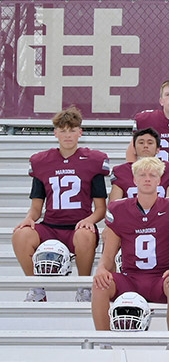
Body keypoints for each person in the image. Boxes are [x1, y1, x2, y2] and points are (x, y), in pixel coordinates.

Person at [13, 107, 110, 302]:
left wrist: (89, 220)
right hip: (50, 227)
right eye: (63, 130)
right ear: (55, 133)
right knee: (20, 234)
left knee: (85, 233)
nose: (68, 135)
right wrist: (28, 219)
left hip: (77, 227)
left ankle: (83, 286)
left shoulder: (93, 160)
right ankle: (37, 288)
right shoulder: (42, 161)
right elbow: (36, 208)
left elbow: (101, 209)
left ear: (80, 132)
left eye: (72, 130)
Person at [91, 157, 169, 331]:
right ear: (134, 180)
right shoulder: (118, 209)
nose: (147, 179)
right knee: (100, 284)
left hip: (161, 278)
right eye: (142, 175)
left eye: (152, 175)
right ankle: (104, 342)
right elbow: (108, 254)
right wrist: (102, 269)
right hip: (130, 278)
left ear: (159, 180)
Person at [110, 128, 169, 201]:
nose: (145, 146)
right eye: (141, 143)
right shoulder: (120, 171)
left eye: (150, 143)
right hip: (129, 213)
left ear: (158, 149)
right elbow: (114, 206)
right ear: (134, 149)